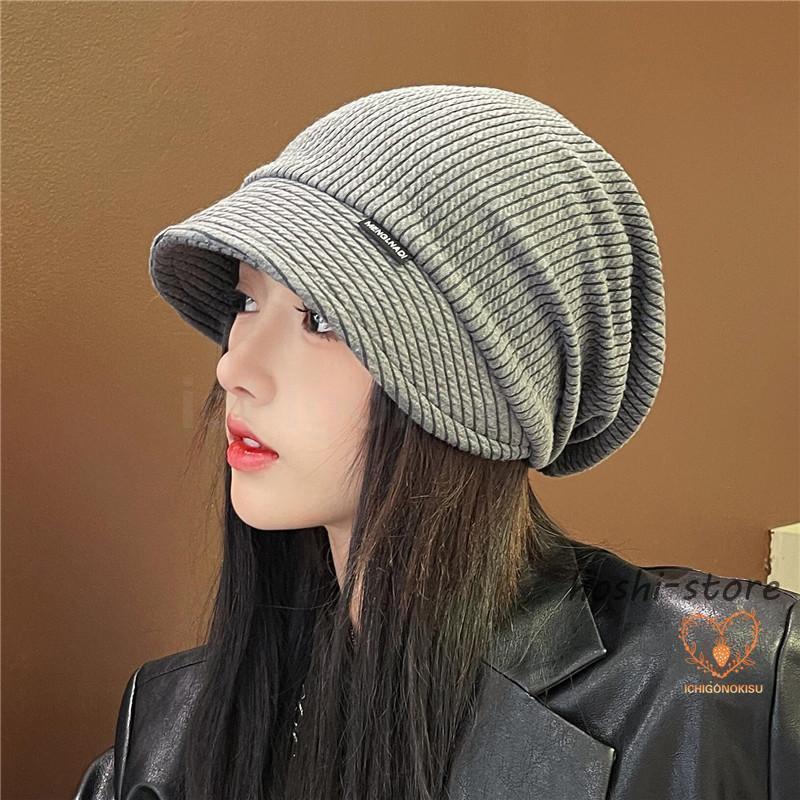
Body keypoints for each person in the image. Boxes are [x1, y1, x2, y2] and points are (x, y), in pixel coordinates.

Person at [73, 85, 799, 800]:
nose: (233, 368)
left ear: (481, 388)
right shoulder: (166, 734)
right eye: (247, 301)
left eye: (322, 319)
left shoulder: (735, 690)